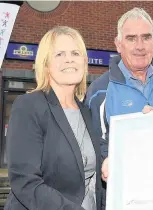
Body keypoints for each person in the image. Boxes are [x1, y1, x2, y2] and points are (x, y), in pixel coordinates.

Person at [85, 7, 153, 209]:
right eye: (131, 38)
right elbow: (90, 145)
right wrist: (106, 160)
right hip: (123, 197)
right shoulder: (99, 91)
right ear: (119, 44)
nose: (140, 46)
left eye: (146, 37)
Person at [5, 26, 102, 210]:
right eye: (59, 54)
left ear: (84, 61)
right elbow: (25, 183)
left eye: (75, 52)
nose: (69, 59)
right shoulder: (28, 106)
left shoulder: (87, 112)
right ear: (46, 64)